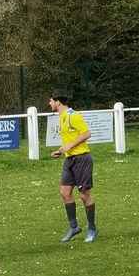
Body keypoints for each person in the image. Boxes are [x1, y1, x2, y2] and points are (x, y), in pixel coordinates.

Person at [49, 91, 97, 243]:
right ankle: (74, 227)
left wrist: (69, 146)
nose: (49, 104)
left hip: (82, 159)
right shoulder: (61, 117)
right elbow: (71, 138)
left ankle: (92, 228)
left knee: (84, 195)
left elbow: (86, 133)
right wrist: (61, 150)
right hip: (69, 159)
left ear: (58, 102)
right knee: (64, 192)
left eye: (51, 101)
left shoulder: (73, 115)